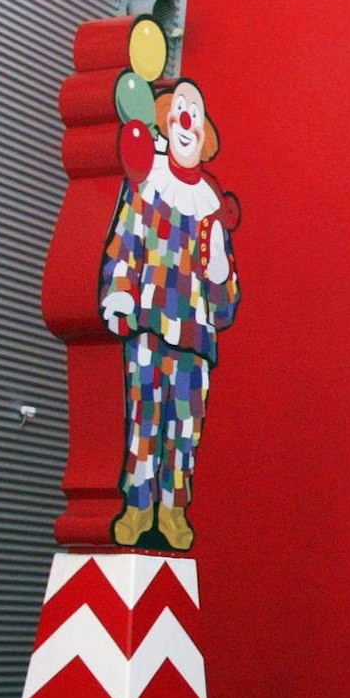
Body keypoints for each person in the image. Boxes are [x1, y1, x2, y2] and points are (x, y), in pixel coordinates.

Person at [100, 80, 239, 551]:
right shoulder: (147, 186)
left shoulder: (211, 209)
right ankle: (138, 506)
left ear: (204, 136)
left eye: (195, 115)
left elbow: (225, 303)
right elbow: (126, 243)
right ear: (164, 120)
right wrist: (120, 293)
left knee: (185, 428)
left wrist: (220, 274)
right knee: (145, 418)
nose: (186, 121)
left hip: (195, 337)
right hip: (149, 324)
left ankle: (173, 510)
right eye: (180, 109)